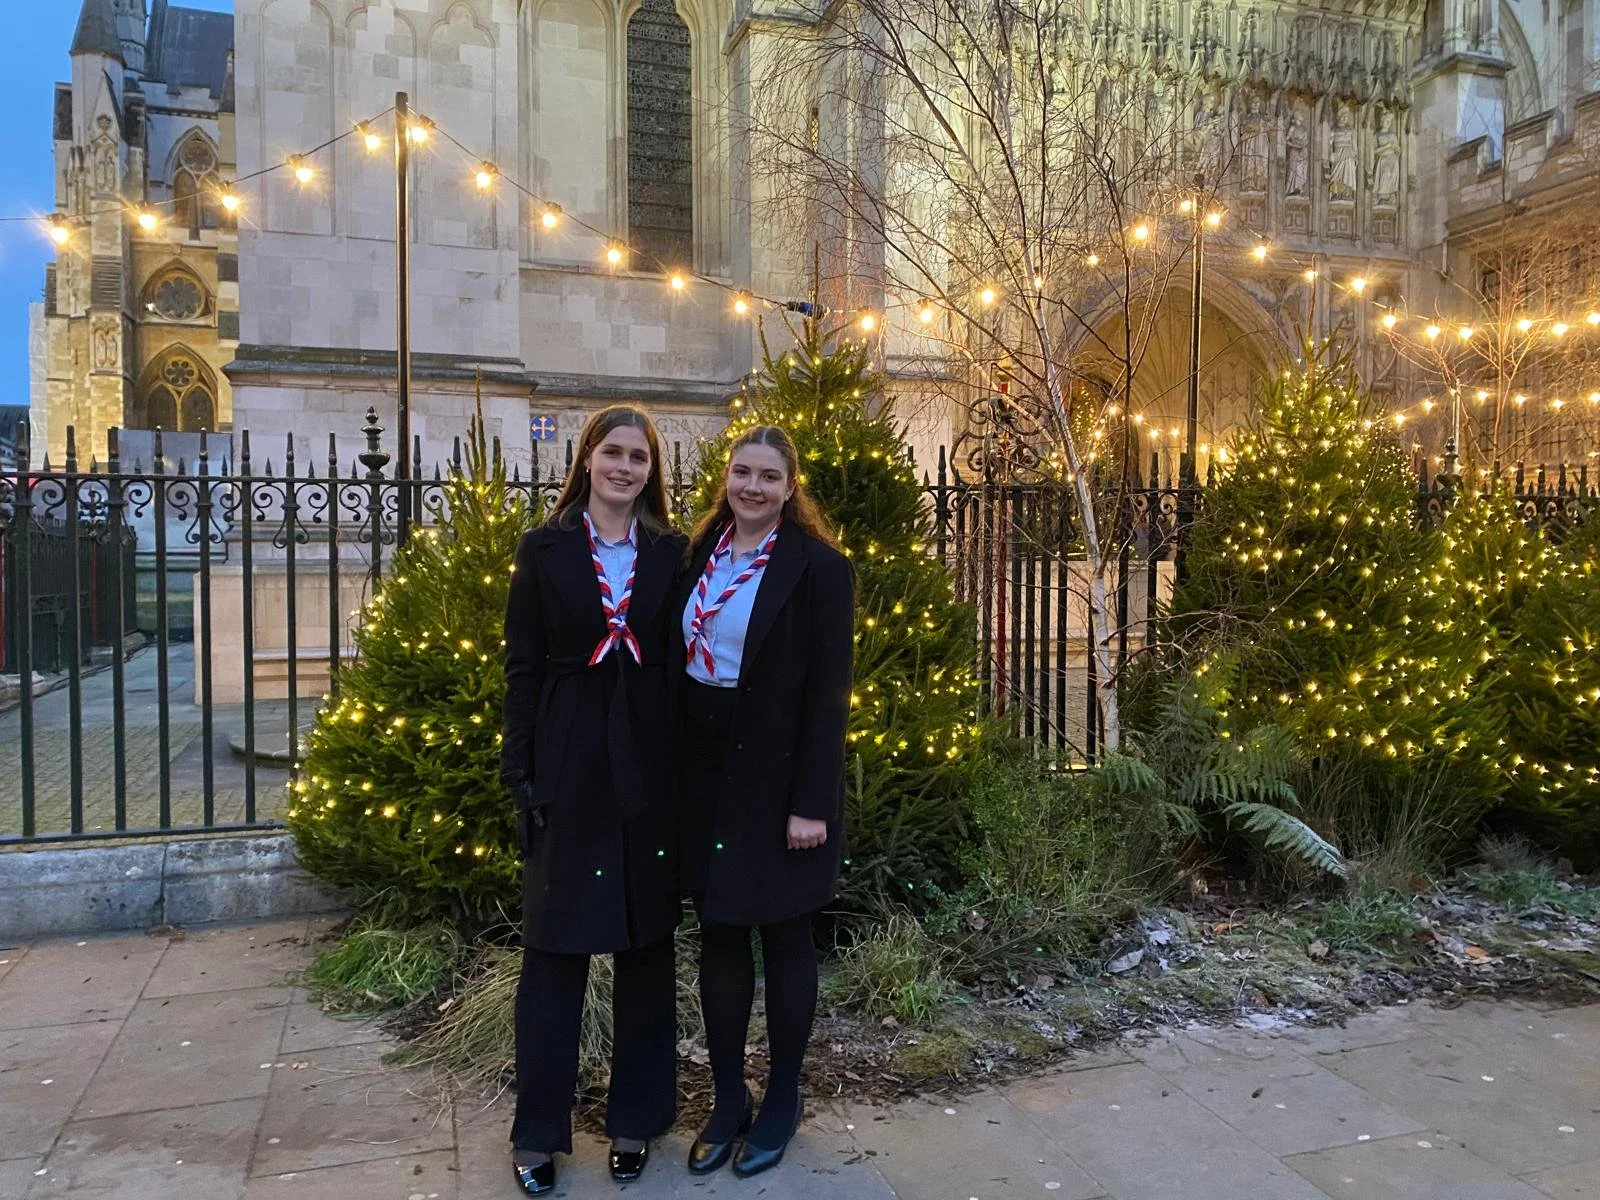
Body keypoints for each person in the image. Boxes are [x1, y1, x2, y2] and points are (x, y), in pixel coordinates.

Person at [500, 405, 686, 1195]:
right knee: (554, 953)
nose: (624, 467)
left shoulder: (672, 553)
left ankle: (635, 1121)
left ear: (652, 470)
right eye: (613, 452)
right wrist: (521, 770)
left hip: (647, 759)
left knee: (645, 948)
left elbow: (683, 659)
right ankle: (538, 1134)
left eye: (638, 457)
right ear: (586, 459)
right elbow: (521, 665)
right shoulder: (543, 549)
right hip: (568, 753)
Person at [672, 425, 856, 1178]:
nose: (752, 487)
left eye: (769, 476)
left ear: (789, 487)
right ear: (727, 478)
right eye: (742, 472)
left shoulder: (820, 568)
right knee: (719, 935)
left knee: (783, 937)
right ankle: (727, 1098)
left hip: (778, 779)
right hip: (701, 771)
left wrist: (812, 802)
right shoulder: (696, 555)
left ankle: (782, 1096)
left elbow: (829, 695)